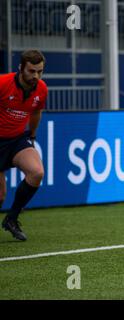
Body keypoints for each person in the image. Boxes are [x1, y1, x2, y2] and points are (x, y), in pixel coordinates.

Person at [0, 50, 47, 241]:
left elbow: (36, 112)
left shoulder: (41, 89)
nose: (35, 76)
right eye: (31, 71)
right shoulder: (3, 84)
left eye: (40, 71)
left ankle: (11, 219)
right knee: (0, 196)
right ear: (20, 68)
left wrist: (32, 135)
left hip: (18, 138)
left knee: (37, 172)